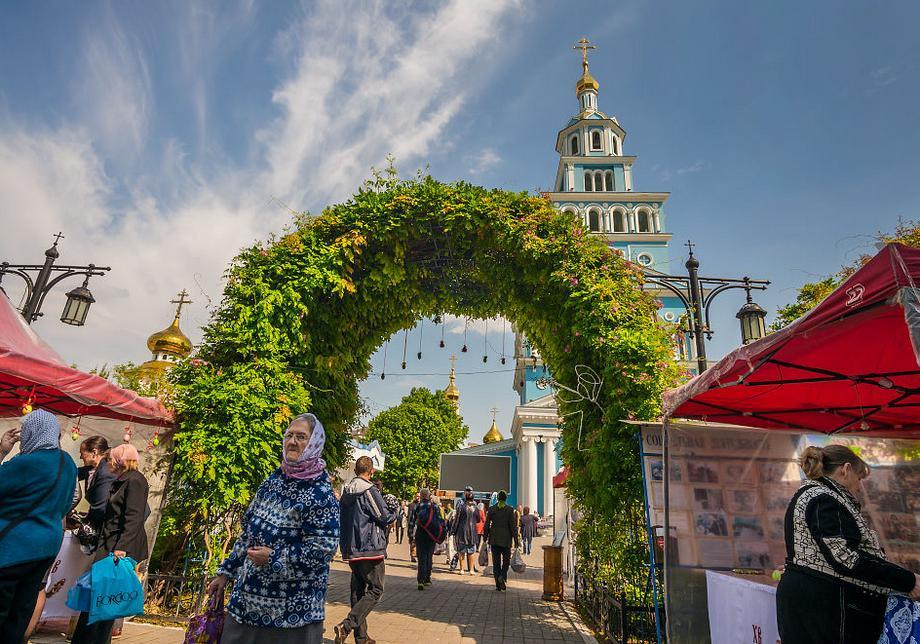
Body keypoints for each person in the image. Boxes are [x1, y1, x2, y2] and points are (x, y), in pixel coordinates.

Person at [206, 414, 339, 644]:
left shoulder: (320, 493)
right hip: (245, 608)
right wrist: (225, 573)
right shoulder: (273, 481)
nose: (292, 442)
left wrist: (275, 558)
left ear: (315, 442)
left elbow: (323, 549)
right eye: (289, 435)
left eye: (301, 437)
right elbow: (248, 533)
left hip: (291, 619)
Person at [776, 445, 920, 643]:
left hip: (810, 599)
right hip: (823, 605)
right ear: (845, 469)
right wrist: (907, 580)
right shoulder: (824, 499)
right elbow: (846, 558)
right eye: (859, 478)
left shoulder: (812, 493)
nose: (859, 486)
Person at [0, 410, 77, 643]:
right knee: (20, 610)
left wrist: (2, 450)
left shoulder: (27, 463)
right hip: (47, 547)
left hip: (13, 547)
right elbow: (66, 505)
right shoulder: (68, 463)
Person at [71, 443, 151, 644]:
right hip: (109, 543)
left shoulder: (135, 481)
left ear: (119, 460)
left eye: (110, 460)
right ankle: (86, 638)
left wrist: (121, 548)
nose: (108, 464)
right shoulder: (122, 480)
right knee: (98, 595)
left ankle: (93, 639)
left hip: (118, 548)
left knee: (104, 598)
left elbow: (134, 516)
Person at [335, 456, 395, 644]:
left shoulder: (346, 492)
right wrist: (395, 510)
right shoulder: (369, 489)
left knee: (358, 591)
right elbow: (383, 516)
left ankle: (361, 638)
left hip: (352, 548)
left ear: (355, 470)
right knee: (376, 589)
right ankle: (346, 625)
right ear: (371, 471)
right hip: (369, 547)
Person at [76, 436, 117, 532]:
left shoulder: (106, 472)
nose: (81, 457)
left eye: (82, 453)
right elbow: (72, 472)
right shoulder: (91, 468)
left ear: (94, 452)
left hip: (108, 526)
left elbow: (100, 506)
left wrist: (85, 522)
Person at [484, 490, 519, 591]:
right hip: (506, 540)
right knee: (506, 561)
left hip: (494, 539)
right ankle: (502, 576)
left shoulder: (491, 509)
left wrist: (485, 537)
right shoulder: (509, 510)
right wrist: (516, 540)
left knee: (496, 562)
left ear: (498, 498)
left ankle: (497, 585)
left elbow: (487, 525)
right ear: (505, 498)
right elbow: (513, 527)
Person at [413, 488, 443, 590]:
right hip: (431, 535)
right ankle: (427, 579)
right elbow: (440, 521)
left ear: (421, 496)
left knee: (421, 557)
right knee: (429, 556)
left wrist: (410, 536)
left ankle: (420, 580)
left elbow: (412, 522)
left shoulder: (417, 506)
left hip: (420, 534)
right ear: (429, 496)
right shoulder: (435, 507)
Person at [451, 487, 481, 575]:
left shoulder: (461, 506)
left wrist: (453, 530)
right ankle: (471, 570)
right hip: (472, 532)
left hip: (462, 531)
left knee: (461, 552)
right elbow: (478, 519)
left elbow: (457, 519)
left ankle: (461, 570)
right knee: (471, 552)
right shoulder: (476, 507)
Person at [407, 492, 420, 563]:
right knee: (412, 541)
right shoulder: (412, 505)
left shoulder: (423, 505)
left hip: (420, 526)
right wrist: (409, 528)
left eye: (419, 496)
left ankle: (417, 555)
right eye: (417, 496)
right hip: (413, 525)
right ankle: (412, 556)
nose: (418, 498)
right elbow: (409, 516)